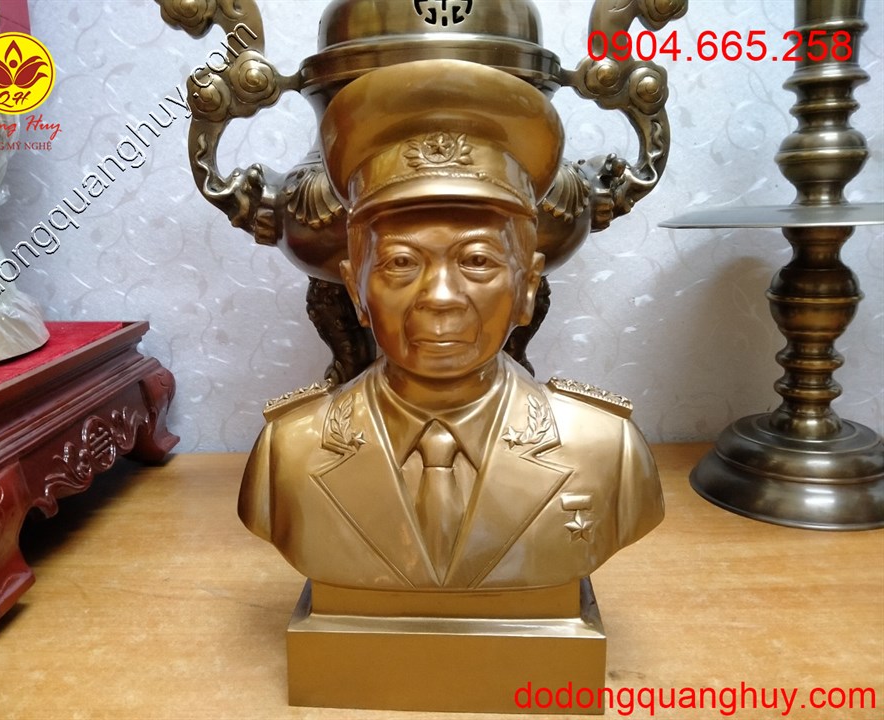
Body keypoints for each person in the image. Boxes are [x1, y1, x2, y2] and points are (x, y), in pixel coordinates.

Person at [239, 59, 663, 590]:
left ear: (528, 286)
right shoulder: (286, 452)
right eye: (401, 262)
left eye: (477, 260)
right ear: (356, 289)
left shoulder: (609, 450)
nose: (440, 297)